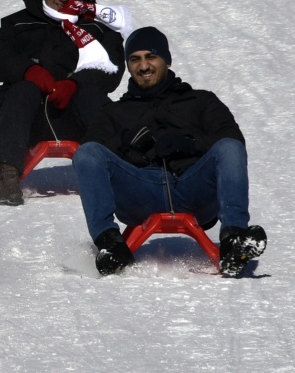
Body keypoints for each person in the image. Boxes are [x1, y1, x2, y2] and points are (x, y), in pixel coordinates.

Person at [73, 27, 268, 277]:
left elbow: (232, 139)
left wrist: (188, 143)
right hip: (139, 193)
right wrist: (129, 150)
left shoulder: (201, 101)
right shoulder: (114, 112)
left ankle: (234, 240)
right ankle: (110, 244)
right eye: (135, 59)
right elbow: (90, 156)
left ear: (167, 59)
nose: (143, 66)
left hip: (193, 188)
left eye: (150, 56)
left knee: (229, 148)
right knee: (86, 153)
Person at [0, 0, 130, 206]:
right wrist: (28, 71)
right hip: (29, 119)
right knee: (22, 91)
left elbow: (112, 67)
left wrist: (75, 83)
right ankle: (6, 171)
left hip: (77, 115)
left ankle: (115, 172)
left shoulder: (98, 25)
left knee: (92, 95)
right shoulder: (18, 23)